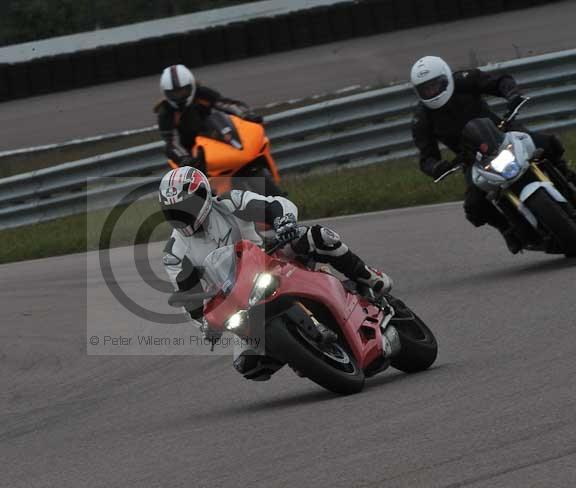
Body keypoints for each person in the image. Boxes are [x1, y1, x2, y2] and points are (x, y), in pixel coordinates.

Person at [159, 166, 392, 382]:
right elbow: (189, 297)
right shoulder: (175, 253)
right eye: (174, 211)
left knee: (317, 237)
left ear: (203, 197)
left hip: (272, 259)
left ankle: (367, 275)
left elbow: (274, 205)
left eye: (186, 207)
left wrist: (284, 222)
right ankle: (300, 354)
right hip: (238, 298)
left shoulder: (230, 202)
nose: (182, 215)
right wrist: (205, 325)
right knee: (248, 364)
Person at [410, 55, 576, 253]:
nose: (431, 91)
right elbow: (426, 156)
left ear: (446, 78)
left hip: (503, 133)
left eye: (435, 85)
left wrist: (512, 94)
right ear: (418, 92)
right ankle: (507, 229)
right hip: (472, 158)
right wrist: (437, 167)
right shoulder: (422, 118)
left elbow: (499, 81)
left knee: (548, 143)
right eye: (426, 89)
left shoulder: (464, 80)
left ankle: (567, 176)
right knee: (474, 206)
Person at [155, 64, 262, 169]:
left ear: (191, 85)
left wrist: (246, 114)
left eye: (183, 91)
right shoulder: (166, 112)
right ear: (165, 93)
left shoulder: (201, 93)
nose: (179, 96)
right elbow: (172, 142)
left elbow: (226, 104)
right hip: (190, 149)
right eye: (174, 93)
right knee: (192, 175)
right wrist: (184, 158)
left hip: (214, 135)